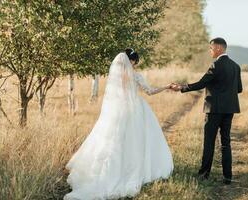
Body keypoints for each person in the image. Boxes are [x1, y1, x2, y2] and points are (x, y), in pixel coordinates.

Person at [64, 49, 174, 200]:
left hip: (116, 112)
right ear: (132, 61)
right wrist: (167, 86)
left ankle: (103, 172)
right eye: (135, 62)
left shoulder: (115, 77)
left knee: (111, 141)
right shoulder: (135, 76)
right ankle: (135, 170)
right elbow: (150, 91)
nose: (135, 65)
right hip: (135, 111)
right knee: (136, 142)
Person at [171, 38, 243, 184]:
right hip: (229, 109)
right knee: (226, 142)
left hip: (214, 109)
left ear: (218, 48)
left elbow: (202, 83)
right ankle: (227, 176)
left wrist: (182, 88)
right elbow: (239, 89)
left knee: (209, 142)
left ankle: (204, 174)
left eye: (210, 48)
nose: (210, 51)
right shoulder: (236, 66)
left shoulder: (216, 65)